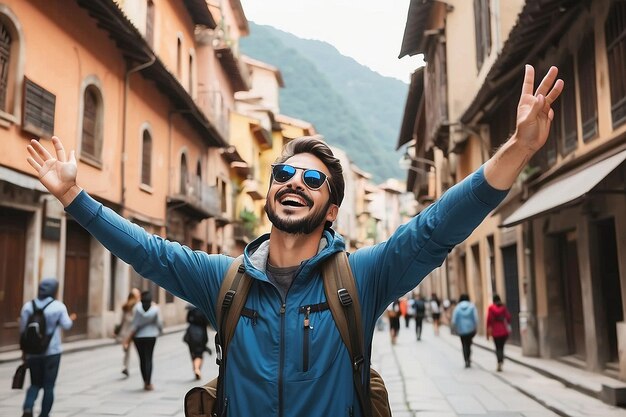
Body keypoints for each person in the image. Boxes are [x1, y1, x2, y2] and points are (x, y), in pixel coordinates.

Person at [25, 64, 562, 416]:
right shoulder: (226, 281)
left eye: (311, 180)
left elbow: (434, 228)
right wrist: (75, 197)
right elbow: (148, 252)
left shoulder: (363, 277)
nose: (292, 183)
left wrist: (515, 150)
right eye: (284, 173)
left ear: (330, 210)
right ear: (270, 192)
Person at [19, 278, 76, 417]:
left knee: (34, 384)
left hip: (33, 352)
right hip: (52, 352)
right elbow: (67, 325)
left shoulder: (28, 306)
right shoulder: (58, 306)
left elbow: (22, 330)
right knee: (49, 385)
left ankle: (28, 407)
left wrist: (24, 352)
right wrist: (72, 319)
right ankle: (44, 414)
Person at [123, 291, 163, 390]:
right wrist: (160, 330)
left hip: (138, 336)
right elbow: (159, 323)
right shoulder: (155, 309)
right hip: (151, 336)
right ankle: (148, 382)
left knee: (142, 359)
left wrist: (128, 338)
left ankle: (145, 381)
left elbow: (135, 323)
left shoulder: (137, 308)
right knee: (149, 358)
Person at [183, 304, 213, 380]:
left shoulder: (191, 310)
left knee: (193, 353)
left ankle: (196, 369)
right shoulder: (203, 310)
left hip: (190, 334)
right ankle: (197, 369)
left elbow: (187, 320)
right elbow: (207, 322)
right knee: (199, 354)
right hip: (201, 334)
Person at [451, 294, 479, 368]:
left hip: (461, 330)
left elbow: (454, 320)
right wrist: (475, 326)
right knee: (469, 344)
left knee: (464, 345)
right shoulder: (472, 306)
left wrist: (454, 328)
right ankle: (469, 358)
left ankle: (466, 360)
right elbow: (476, 318)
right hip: (470, 329)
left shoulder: (457, 308)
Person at [117, 288, 140, 377]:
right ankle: (127, 367)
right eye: (137, 294)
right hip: (133, 331)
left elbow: (122, 320)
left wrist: (119, 330)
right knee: (134, 350)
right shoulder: (137, 306)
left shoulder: (126, 306)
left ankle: (126, 367)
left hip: (127, 331)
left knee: (127, 350)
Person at [487, 294, 512, 372]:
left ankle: (499, 361)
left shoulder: (491, 308)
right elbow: (508, 318)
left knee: (497, 347)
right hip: (503, 330)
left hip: (495, 331)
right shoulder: (503, 307)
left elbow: (488, 320)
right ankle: (501, 360)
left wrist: (487, 333)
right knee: (502, 346)